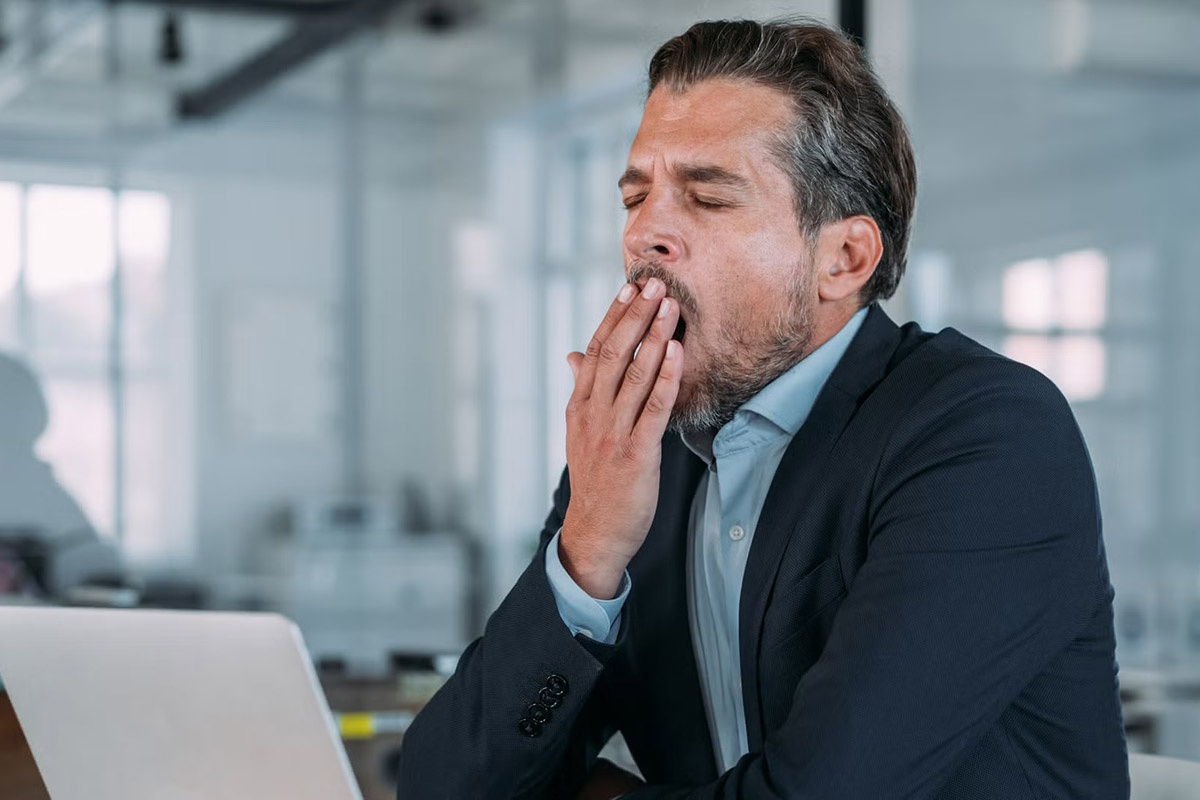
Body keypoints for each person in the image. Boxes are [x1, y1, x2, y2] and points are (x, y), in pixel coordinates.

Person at [397, 19, 1129, 799]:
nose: (644, 233)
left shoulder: (988, 437)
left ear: (843, 259)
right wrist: (589, 549)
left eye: (708, 197)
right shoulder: (634, 459)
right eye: (636, 197)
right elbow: (444, 787)